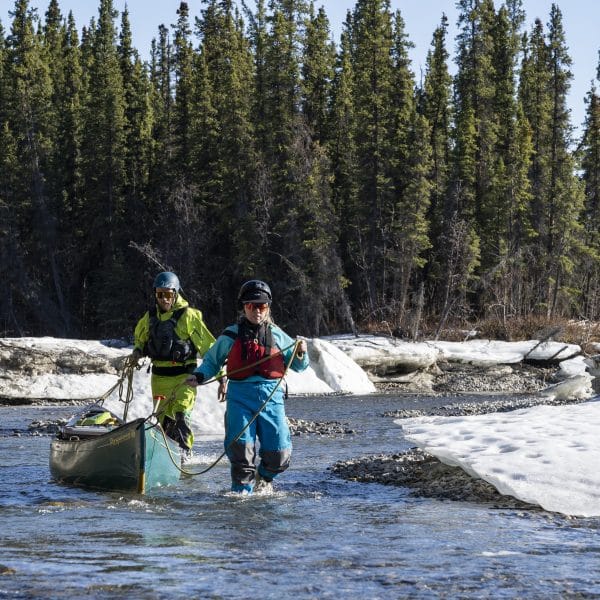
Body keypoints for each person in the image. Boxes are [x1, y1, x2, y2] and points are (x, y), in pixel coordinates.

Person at [186, 279, 309, 494]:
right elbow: (212, 362)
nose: (257, 311)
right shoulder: (230, 335)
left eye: (262, 306)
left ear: (268, 308)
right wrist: (199, 376)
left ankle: (264, 478)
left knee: (279, 455)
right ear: (244, 307)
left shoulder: (278, 335)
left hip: (271, 398)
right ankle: (241, 494)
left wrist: (301, 352)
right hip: (240, 399)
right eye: (252, 306)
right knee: (241, 452)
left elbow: (299, 366)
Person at [132, 271, 219, 455]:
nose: (164, 299)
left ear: (176, 294)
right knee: (164, 421)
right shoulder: (149, 318)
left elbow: (209, 348)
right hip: (159, 378)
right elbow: (139, 338)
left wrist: (221, 378)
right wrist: (137, 351)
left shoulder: (189, 316)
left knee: (181, 415)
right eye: (160, 294)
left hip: (184, 377)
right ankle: (168, 455)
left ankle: (185, 452)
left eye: (168, 295)